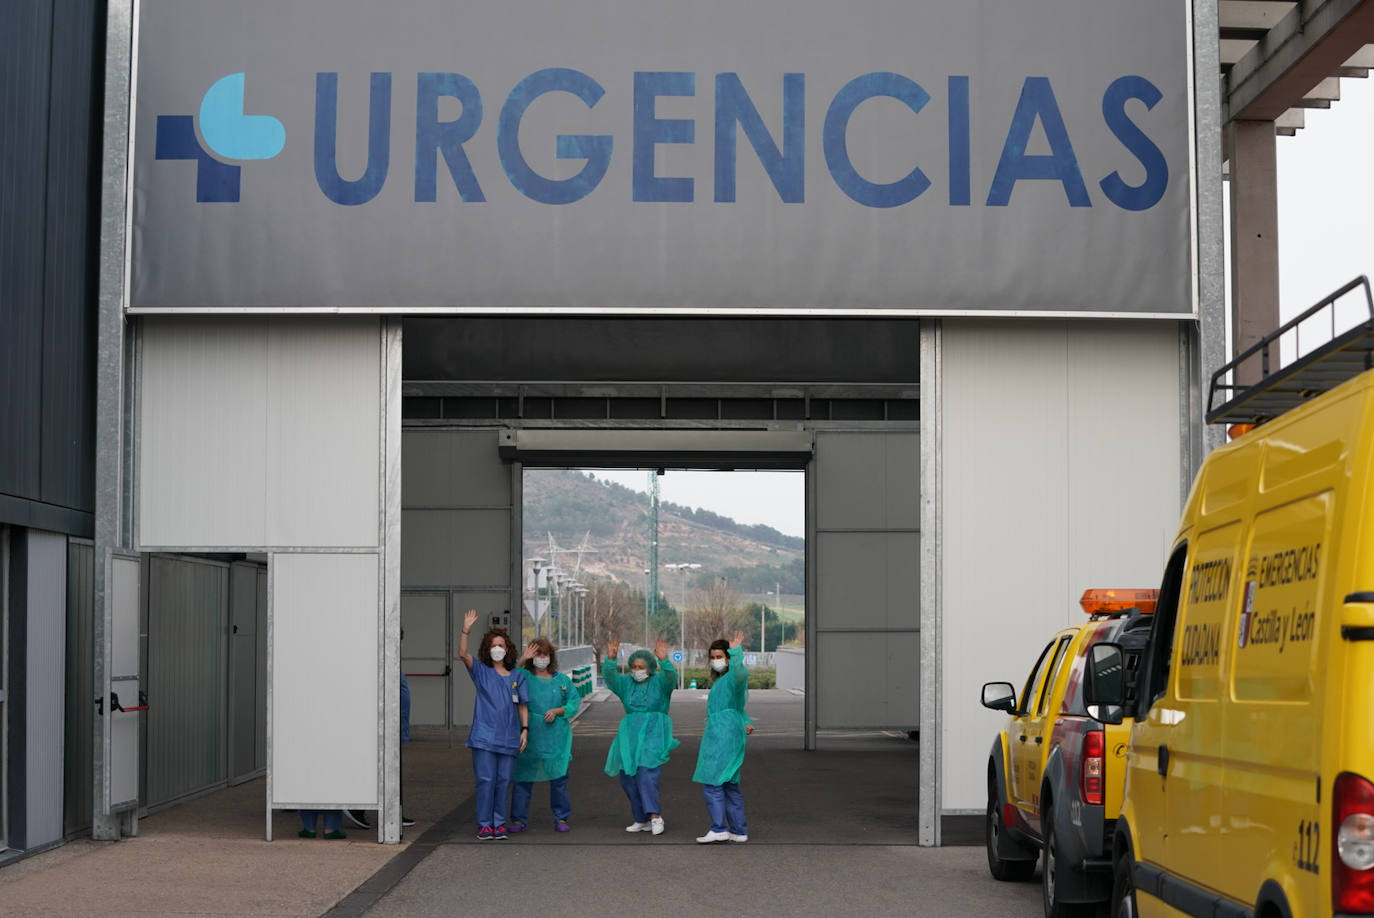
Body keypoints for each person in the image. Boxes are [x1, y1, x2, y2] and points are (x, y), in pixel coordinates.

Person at [459, 609, 529, 840]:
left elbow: (522, 706)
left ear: (507, 648)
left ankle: (499, 823)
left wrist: (525, 731)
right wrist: (466, 630)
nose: (497, 649)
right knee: (486, 781)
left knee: (503, 781)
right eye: (493, 645)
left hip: (509, 736)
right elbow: (462, 654)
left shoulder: (517, 676)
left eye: (501, 645)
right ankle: (484, 824)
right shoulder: (481, 672)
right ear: (487, 650)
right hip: (484, 737)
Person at [602, 637, 678, 836]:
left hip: (654, 732)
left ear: (650, 668)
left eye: (641, 666)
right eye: (634, 666)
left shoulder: (660, 682)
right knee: (627, 776)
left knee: (646, 773)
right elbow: (610, 678)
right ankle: (641, 818)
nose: (637, 670)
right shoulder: (626, 683)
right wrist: (610, 659)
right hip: (630, 735)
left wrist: (664, 661)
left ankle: (655, 816)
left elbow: (671, 677)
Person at [508, 637, 580, 833]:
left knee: (558, 779)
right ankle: (518, 819)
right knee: (523, 778)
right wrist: (522, 659)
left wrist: (558, 711)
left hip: (556, 739)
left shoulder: (562, 681)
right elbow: (508, 678)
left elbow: (574, 702)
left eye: (545, 654)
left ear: (551, 656)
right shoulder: (524, 676)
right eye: (537, 654)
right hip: (530, 737)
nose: (541, 658)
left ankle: (561, 817)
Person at [693, 631, 751, 843]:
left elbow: (740, 674)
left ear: (728, 658)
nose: (716, 661)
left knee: (713, 780)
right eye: (713, 657)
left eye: (720, 656)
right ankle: (738, 829)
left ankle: (718, 828)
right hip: (727, 730)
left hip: (722, 733)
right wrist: (745, 721)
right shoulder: (722, 681)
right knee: (729, 783)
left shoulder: (732, 678)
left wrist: (736, 653)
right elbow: (738, 706)